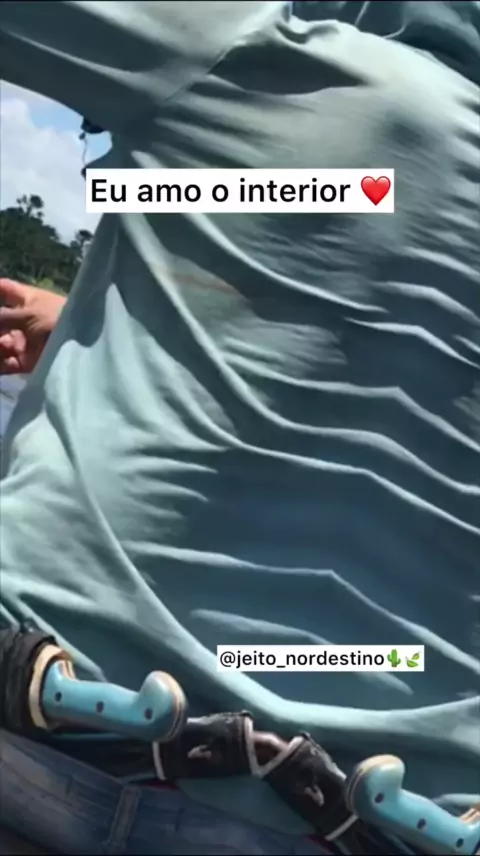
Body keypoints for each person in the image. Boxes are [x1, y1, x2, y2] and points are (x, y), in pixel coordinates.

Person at [1, 1, 479, 853]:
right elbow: (387, 360)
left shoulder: (284, 60)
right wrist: (91, 321)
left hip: (48, 747)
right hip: (381, 827)